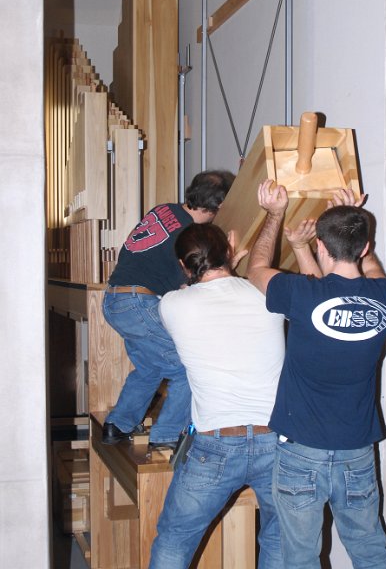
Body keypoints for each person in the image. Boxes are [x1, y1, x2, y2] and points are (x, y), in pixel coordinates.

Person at [247, 180, 386, 569]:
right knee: (369, 551)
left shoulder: (302, 295)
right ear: (364, 247)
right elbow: (374, 271)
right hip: (357, 452)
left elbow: (256, 269)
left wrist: (275, 215)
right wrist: (357, 219)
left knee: (300, 558)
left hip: (301, 451)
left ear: (320, 246)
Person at [148, 222, 285, 569]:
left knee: (175, 540)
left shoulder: (172, 305)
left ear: (183, 265)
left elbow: (207, 298)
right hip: (278, 441)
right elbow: (239, 292)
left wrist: (227, 268)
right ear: (228, 251)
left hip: (214, 444)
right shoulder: (269, 294)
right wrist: (237, 270)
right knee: (281, 541)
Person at [102, 170, 235, 448]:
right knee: (188, 368)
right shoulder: (188, 236)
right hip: (138, 303)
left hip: (116, 298)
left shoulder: (164, 210)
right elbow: (192, 286)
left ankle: (118, 425)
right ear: (218, 207)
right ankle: (167, 437)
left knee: (149, 368)